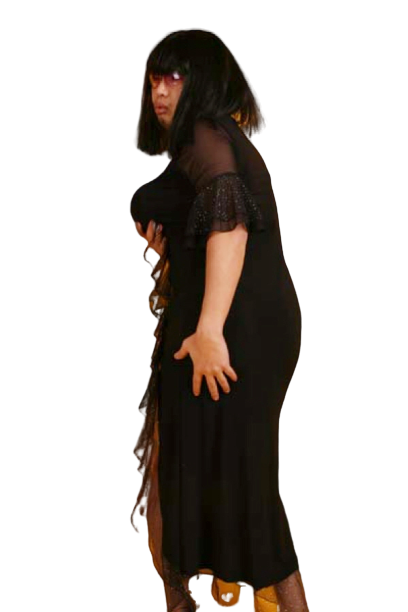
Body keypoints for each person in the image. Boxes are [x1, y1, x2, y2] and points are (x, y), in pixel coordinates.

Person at [129, 28, 310, 611]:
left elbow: (229, 218)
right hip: (228, 323)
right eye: (154, 79)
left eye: (174, 78)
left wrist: (209, 330)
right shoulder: (198, 143)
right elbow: (200, 209)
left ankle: (279, 601)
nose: (160, 91)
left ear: (203, 81)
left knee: (242, 477)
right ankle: (207, 588)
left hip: (233, 330)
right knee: (199, 465)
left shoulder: (207, 134)